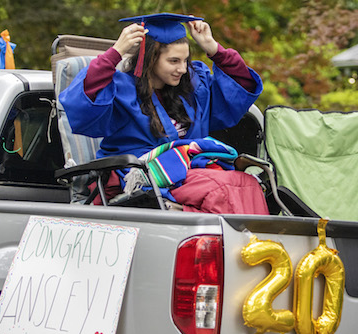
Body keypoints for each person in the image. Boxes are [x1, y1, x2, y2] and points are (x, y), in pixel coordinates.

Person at [59, 13, 268, 214]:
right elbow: (83, 103)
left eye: (185, 61)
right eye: (174, 61)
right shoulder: (121, 90)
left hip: (192, 170)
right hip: (143, 173)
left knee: (248, 184)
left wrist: (213, 49)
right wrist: (115, 53)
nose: (183, 69)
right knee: (220, 188)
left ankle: (259, 248)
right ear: (151, 58)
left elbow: (242, 86)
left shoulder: (195, 88)